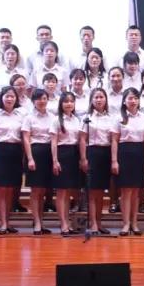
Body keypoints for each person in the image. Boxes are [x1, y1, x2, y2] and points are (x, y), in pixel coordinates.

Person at [111, 88, 144, 236]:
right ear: (124, 101)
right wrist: (114, 161)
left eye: (135, 98)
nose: (133, 101)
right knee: (126, 191)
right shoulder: (118, 118)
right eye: (130, 98)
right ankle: (126, 224)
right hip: (124, 153)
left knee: (136, 191)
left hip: (139, 154)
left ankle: (134, 223)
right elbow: (114, 141)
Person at [0, 85, 24, 234]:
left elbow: (24, 137)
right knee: (1, 189)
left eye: (12, 96)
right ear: (1, 98)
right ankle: (2, 223)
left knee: (11, 189)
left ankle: (8, 222)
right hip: (0, 151)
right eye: (7, 96)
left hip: (16, 152)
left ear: (16, 99)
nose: (9, 99)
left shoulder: (21, 115)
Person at [81, 88, 115, 234]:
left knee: (101, 191)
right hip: (92, 153)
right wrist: (83, 158)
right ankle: (93, 223)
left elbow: (113, 139)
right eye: (96, 97)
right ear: (91, 100)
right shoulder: (87, 117)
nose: (99, 100)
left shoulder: (111, 118)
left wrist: (113, 159)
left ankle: (99, 222)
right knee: (92, 191)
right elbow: (82, 139)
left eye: (101, 97)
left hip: (105, 153)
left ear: (106, 99)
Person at [22, 88, 55, 234]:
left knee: (44, 190)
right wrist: (30, 158)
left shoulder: (53, 117)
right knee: (36, 190)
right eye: (38, 99)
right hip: (35, 152)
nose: (42, 101)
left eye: (44, 98)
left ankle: (41, 221)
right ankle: (36, 222)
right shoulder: (28, 118)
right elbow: (26, 139)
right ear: (33, 101)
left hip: (49, 152)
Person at [51, 92, 82, 236]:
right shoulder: (56, 120)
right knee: (61, 191)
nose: (69, 104)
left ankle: (68, 222)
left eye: (71, 101)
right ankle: (63, 223)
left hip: (74, 154)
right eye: (66, 101)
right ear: (61, 104)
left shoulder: (77, 120)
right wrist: (55, 160)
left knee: (69, 191)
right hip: (62, 154)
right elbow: (53, 142)